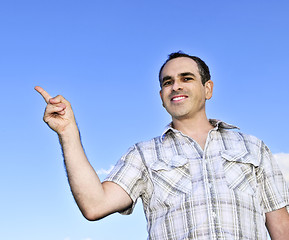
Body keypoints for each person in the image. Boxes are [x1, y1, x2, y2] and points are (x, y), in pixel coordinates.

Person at [35, 52, 289, 240]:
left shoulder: (253, 148)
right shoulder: (144, 154)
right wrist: (68, 132)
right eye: (167, 82)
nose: (175, 85)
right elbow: (94, 205)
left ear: (207, 88)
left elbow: (281, 228)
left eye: (186, 78)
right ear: (161, 97)